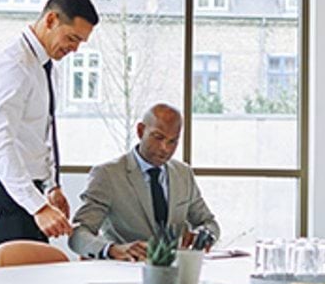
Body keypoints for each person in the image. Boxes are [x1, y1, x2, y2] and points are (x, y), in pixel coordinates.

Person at [0, 0, 99, 261]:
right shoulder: (13, 66)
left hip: (29, 193)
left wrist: (51, 187)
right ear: (51, 20)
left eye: (80, 43)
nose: (74, 49)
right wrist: (37, 207)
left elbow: (39, 135)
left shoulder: (41, 66)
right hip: (6, 195)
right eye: (72, 38)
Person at [69, 103, 220, 260]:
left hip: (177, 273)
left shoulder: (183, 173)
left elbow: (209, 223)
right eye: (158, 137)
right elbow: (78, 235)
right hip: (124, 271)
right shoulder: (107, 175)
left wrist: (205, 235)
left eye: (172, 141)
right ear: (140, 131)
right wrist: (112, 249)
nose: (165, 148)